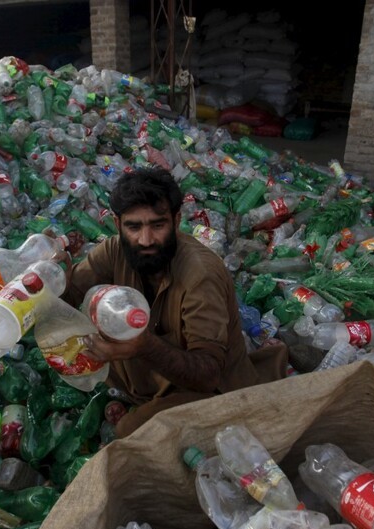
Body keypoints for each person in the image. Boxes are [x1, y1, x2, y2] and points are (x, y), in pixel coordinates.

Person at [62, 167, 288, 437]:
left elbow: (208, 375)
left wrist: (145, 346)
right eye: (134, 227)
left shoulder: (200, 276)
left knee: (129, 435)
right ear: (117, 223)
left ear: (176, 220)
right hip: (143, 376)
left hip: (202, 389)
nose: (145, 240)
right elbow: (69, 295)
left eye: (158, 225)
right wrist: (53, 279)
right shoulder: (114, 250)